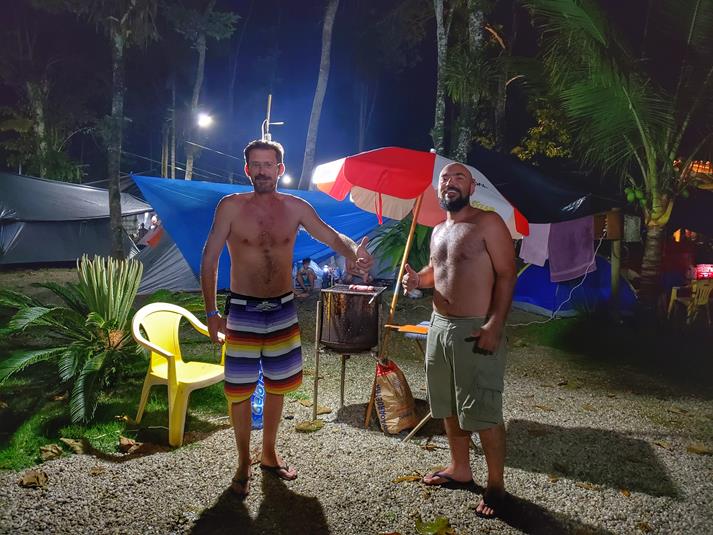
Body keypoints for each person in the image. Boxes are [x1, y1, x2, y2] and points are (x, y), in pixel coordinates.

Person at [200, 139, 373, 499]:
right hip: (243, 310)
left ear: (280, 169)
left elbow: (330, 234)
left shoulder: (296, 207)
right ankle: (242, 462)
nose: (262, 171)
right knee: (239, 390)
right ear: (247, 169)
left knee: (277, 385)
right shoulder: (230, 207)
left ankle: (269, 453)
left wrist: (353, 251)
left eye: (269, 165)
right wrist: (212, 312)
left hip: (281, 309)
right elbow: (210, 258)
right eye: (256, 164)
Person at [402, 162, 516, 519]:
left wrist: (495, 324)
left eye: (459, 178)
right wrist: (417, 280)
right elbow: (436, 271)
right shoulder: (438, 230)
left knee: (483, 408)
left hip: (474, 327)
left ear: (471, 188)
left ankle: (496, 485)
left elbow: (507, 274)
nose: (450, 182)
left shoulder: (488, 223)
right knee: (447, 403)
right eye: (444, 178)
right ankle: (460, 468)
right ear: (439, 188)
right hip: (439, 325)